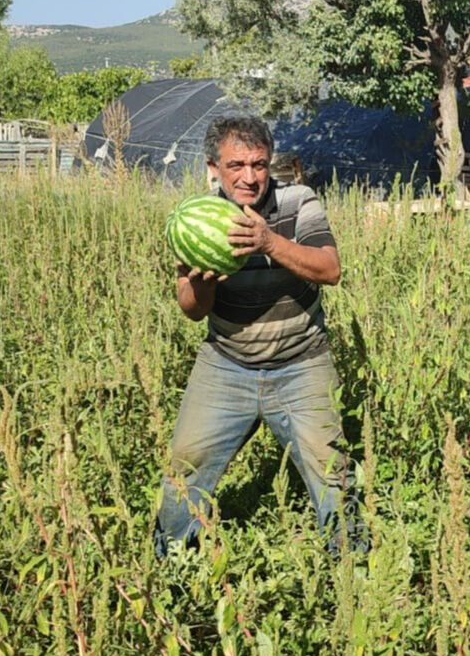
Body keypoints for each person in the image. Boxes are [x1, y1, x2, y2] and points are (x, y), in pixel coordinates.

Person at [155, 115, 366, 558]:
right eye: (236, 166)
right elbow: (192, 311)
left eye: (259, 164)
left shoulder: (299, 202)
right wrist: (204, 281)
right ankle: (170, 569)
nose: (249, 177)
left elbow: (331, 269)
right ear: (213, 168)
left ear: (271, 164)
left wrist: (269, 242)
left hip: (302, 364)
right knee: (183, 471)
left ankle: (354, 573)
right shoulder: (198, 218)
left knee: (334, 477)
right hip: (225, 365)